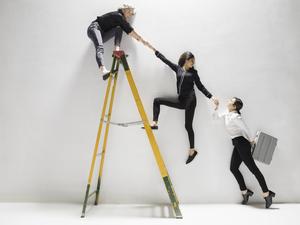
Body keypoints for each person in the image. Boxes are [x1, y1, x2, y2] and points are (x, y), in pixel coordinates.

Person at [143, 49, 219, 164]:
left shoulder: (194, 73)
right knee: (157, 101)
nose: (192, 63)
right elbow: (166, 61)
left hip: (191, 100)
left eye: (193, 61)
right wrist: (155, 51)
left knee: (188, 126)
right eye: (191, 61)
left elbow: (200, 86)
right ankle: (154, 123)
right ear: (185, 59)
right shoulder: (178, 68)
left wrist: (212, 97)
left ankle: (192, 150)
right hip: (181, 100)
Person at [213, 97, 275, 208]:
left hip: (242, 144)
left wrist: (251, 140)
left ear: (235, 106)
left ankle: (267, 193)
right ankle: (245, 192)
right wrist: (216, 107)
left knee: (253, 170)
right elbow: (215, 117)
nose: (228, 101)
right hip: (237, 144)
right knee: (233, 168)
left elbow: (245, 128)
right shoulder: (227, 113)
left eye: (231, 101)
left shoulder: (236, 116)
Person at [87, 5, 151, 78]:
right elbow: (131, 31)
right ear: (126, 10)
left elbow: (129, 31)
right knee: (99, 48)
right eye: (131, 13)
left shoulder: (121, 20)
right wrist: (142, 40)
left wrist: (142, 41)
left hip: (103, 34)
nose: (131, 15)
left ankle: (117, 51)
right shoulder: (118, 15)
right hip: (94, 28)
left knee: (119, 28)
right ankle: (103, 70)